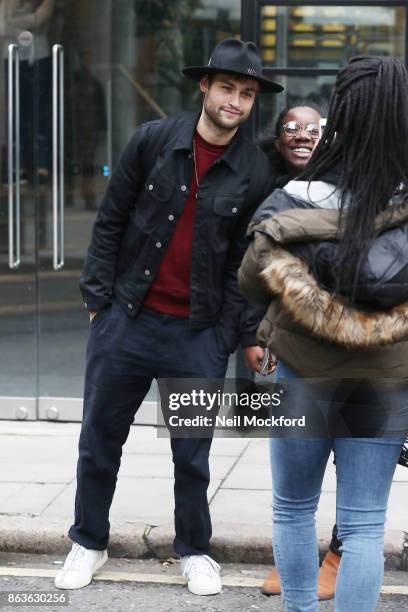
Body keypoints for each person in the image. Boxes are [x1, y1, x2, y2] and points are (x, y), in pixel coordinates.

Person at [54, 38, 283, 594]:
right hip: (127, 320)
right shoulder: (152, 141)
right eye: (228, 87)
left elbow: (244, 264)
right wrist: (97, 302)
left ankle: (193, 550)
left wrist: (225, 334)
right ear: (204, 86)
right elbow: (110, 222)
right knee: (100, 440)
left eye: (247, 94)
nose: (235, 101)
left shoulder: (254, 171)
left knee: (193, 454)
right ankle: (87, 541)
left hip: (196, 333)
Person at [239, 54, 408, 611]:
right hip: (384, 381)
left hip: (300, 372)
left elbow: (250, 283)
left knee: (292, 507)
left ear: (339, 115)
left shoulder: (295, 196)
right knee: (363, 526)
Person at [258, 104, 342, 601]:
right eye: (293, 128)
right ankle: (300, 561)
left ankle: (338, 555)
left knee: (358, 477)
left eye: (315, 129)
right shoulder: (268, 189)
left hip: (365, 351)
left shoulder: (353, 181)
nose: (304, 136)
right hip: (298, 351)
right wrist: (260, 333)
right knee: (296, 471)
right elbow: (253, 270)